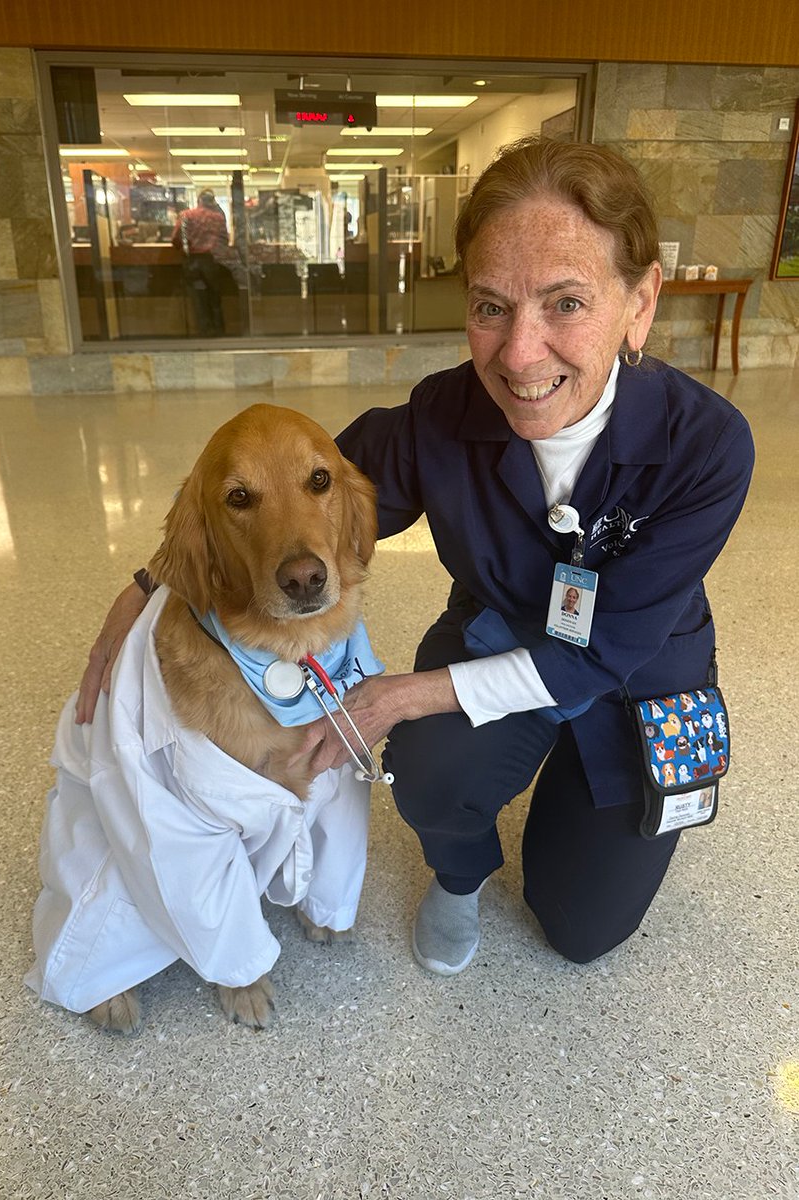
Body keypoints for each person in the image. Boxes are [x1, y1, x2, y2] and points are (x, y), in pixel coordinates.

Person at [75, 138, 754, 978]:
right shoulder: (441, 414)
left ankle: (580, 789)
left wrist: (395, 694)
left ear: (641, 302)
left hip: (638, 664)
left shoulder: (710, 446)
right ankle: (461, 877)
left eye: (566, 303)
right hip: (502, 629)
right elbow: (295, 497)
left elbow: (602, 649)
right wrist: (148, 584)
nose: (518, 355)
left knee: (580, 930)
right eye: (491, 306)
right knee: (430, 774)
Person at [172, 189, 230, 337]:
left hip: (193, 261)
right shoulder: (218, 218)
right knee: (215, 298)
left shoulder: (186, 215)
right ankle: (218, 331)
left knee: (198, 298)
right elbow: (225, 240)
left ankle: (203, 331)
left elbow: (176, 239)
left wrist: (186, 249)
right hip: (212, 262)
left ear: (198, 200)